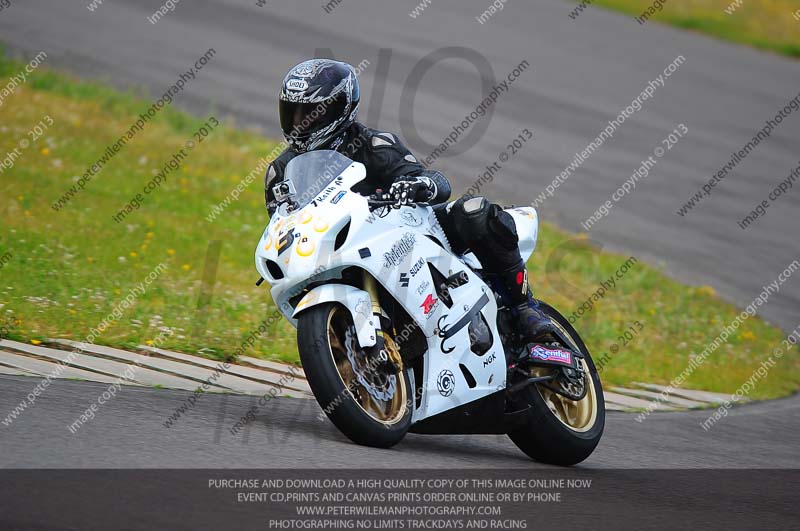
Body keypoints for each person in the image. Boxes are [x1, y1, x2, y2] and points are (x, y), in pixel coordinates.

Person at [265, 59, 556, 348]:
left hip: (401, 231)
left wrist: (417, 185)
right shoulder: (280, 172)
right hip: (337, 250)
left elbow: (431, 181)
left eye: (312, 113)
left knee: (475, 212)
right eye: (293, 112)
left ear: (340, 109)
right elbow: (283, 222)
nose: (300, 122)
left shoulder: (374, 144)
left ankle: (523, 307)